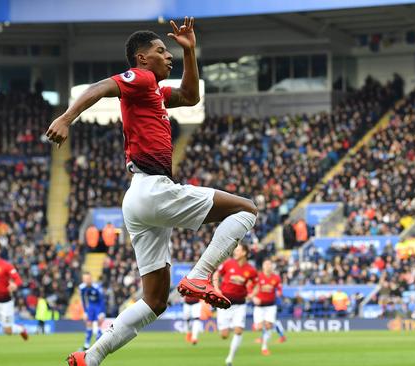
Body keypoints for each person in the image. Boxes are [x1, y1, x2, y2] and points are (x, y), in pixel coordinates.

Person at [47, 17, 258, 366]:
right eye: (162, 51)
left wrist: (190, 51)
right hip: (153, 188)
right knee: (246, 209)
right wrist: (67, 117)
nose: (168, 56)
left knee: (155, 302)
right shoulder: (140, 78)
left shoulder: (155, 93)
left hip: (138, 199)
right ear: (143, 59)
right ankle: (201, 275)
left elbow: (191, 96)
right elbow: (101, 86)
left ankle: (92, 356)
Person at [213, 244, 258, 366]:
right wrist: (216, 288)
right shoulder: (228, 264)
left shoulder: (251, 270)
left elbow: (256, 284)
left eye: (237, 250)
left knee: (238, 330)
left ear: (244, 253)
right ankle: (225, 331)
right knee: (224, 335)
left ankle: (230, 358)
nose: (235, 252)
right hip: (224, 304)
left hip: (240, 304)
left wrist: (252, 295)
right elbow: (216, 274)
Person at [251, 259, 284, 356]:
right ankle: (259, 327)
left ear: (272, 266)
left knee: (269, 325)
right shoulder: (258, 277)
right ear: (263, 266)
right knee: (259, 327)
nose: (268, 266)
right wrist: (254, 298)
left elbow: (279, 288)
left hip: (270, 305)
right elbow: (250, 288)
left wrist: (279, 292)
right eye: (266, 264)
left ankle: (264, 347)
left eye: (270, 264)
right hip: (259, 306)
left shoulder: (276, 278)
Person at [80, 273, 106, 350]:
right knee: (88, 323)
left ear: (91, 279)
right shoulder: (82, 288)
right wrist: (85, 311)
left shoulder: (97, 287)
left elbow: (102, 300)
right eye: (85, 279)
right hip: (91, 306)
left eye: (88, 278)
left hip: (98, 306)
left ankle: (99, 344)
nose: (86, 280)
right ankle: (86, 345)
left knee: (99, 323)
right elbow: (83, 300)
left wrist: (102, 312)